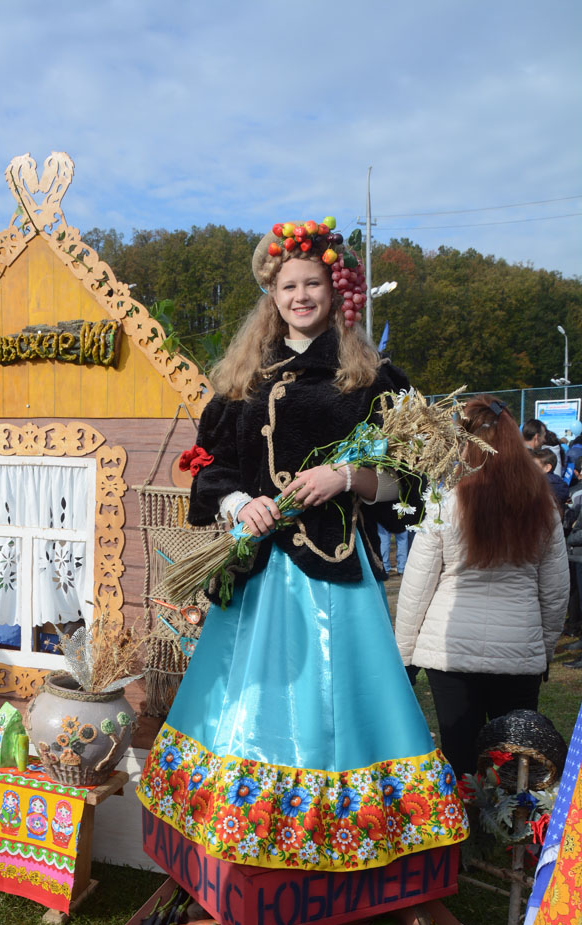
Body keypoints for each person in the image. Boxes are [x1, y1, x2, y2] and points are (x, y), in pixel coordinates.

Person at [137, 218, 468, 874]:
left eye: (312, 283)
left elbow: (411, 480)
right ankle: (243, 847)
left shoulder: (372, 378)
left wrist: (347, 477)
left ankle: (342, 845)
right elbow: (209, 466)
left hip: (333, 575)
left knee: (333, 707)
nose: (300, 295)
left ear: (334, 291)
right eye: (288, 285)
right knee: (249, 706)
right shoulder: (244, 378)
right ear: (272, 293)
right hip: (257, 575)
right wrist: (241, 503)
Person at [395, 397, 569, 781]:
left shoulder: (445, 503)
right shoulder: (544, 508)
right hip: (518, 652)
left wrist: (405, 657)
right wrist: (543, 649)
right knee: (514, 765)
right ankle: (509, 836)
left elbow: (417, 588)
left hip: (451, 652)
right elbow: (555, 594)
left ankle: (463, 834)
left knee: (459, 759)